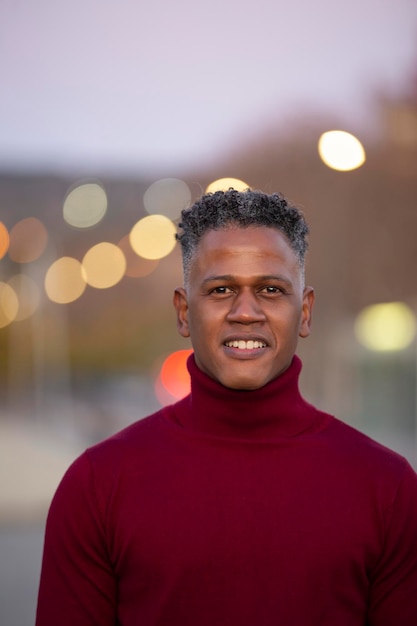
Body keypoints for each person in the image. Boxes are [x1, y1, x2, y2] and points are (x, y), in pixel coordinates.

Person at [36, 189, 417, 625]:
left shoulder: (388, 489)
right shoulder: (97, 487)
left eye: (271, 289)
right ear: (183, 312)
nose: (245, 312)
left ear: (305, 312)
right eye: (221, 290)